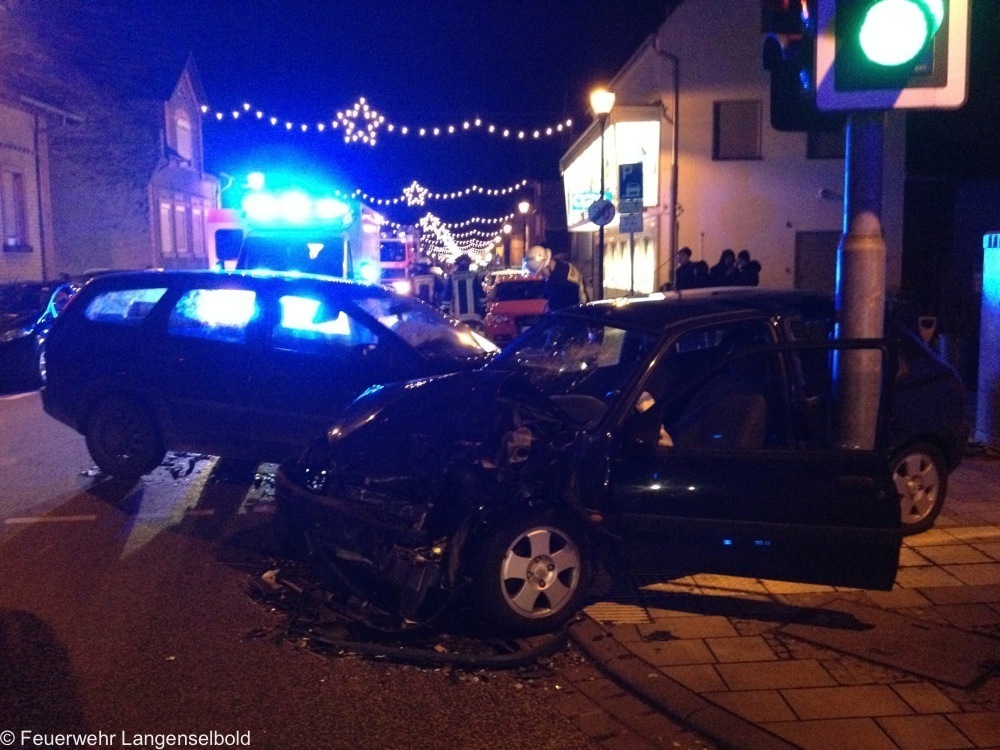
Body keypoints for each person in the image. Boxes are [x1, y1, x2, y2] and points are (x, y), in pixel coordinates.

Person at [524, 245, 588, 310]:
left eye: (541, 272)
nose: (541, 275)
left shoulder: (561, 282)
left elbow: (560, 309)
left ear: (547, 265)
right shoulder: (563, 267)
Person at [442, 254, 484, 323]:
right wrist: (483, 308)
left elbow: (447, 296)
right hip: (474, 316)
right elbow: (481, 294)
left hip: (458, 318)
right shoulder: (473, 276)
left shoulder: (452, 277)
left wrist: (446, 310)